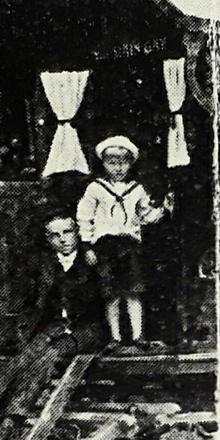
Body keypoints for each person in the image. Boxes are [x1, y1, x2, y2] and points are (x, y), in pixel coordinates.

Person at [0, 213, 105, 440]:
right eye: (55, 235)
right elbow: (31, 302)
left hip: (87, 329)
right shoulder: (44, 265)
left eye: (68, 232)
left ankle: (8, 427)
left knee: (48, 359)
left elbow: (107, 299)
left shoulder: (93, 261)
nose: (63, 239)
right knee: (24, 359)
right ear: (48, 239)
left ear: (77, 232)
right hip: (55, 327)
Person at [77, 135, 173, 349]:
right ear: (103, 164)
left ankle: (138, 336)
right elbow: (84, 217)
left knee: (133, 291)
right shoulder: (95, 188)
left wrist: (163, 209)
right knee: (110, 293)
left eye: (123, 163)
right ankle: (115, 338)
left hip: (129, 246)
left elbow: (145, 216)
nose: (118, 168)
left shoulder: (136, 189)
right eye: (112, 163)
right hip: (105, 246)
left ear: (131, 164)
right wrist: (87, 246)